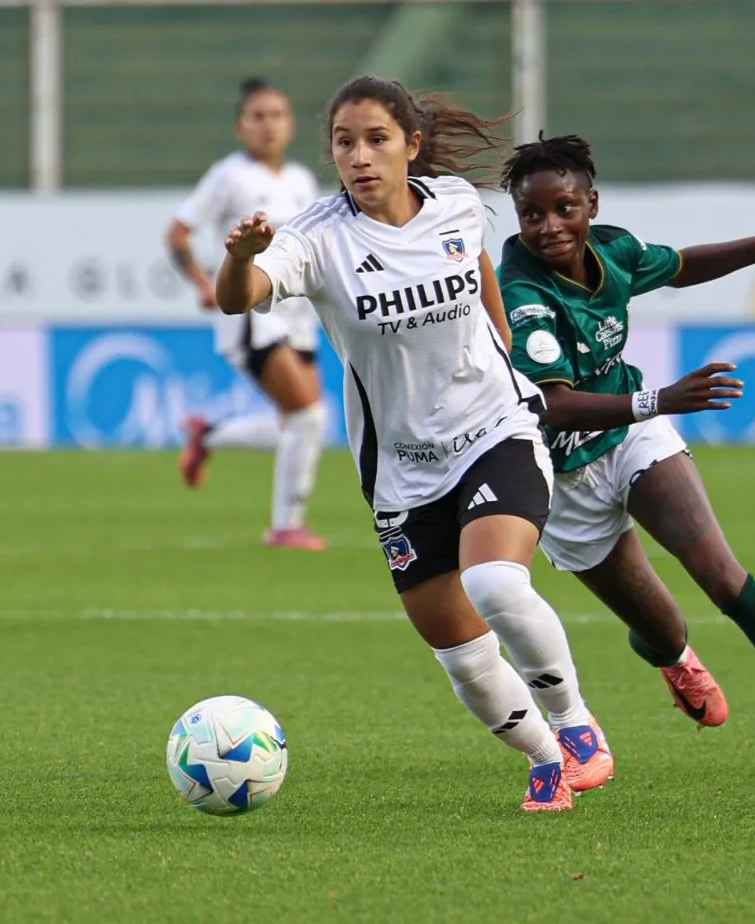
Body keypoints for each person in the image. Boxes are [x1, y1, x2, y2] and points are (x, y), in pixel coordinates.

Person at [214, 77, 621, 811]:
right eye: (345, 143)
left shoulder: (456, 204)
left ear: (412, 144)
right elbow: (236, 298)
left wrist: (506, 351)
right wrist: (242, 258)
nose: (360, 156)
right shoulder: (315, 238)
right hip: (402, 471)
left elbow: (478, 268)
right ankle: (544, 759)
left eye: (376, 139)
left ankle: (575, 724)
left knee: (494, 583)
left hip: (495, 430)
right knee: (462, 657)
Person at [497, 133, 755, 785]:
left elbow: (682, 266)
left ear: (591, 204)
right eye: (531, 214)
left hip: (634, 438)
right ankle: (672, 656)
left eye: (564, 208)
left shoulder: (615, 250)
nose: (549, 226)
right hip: (561, 476)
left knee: (723, 577)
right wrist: (661, 398)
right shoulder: (522, 294)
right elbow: (557, 406)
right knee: (661, 627)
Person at [166, 77, 328, 551]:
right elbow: (178, 233)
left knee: (301, 422)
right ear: (240, 127)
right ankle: (285, 526)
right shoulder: (229, 176)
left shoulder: (300, 180)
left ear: (291, 125)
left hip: (296, 315)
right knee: (307, 417)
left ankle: (208, 434)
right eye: (258, 117)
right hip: (252, 315)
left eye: (277, 115)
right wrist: (203, 284)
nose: (269, 125)